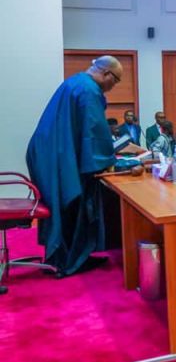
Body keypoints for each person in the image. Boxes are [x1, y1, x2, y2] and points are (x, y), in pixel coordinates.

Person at [26, 55, 123, 277]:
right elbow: (93, 134)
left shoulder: (76, 81)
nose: (113, 87)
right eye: (115, 81)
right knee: (73, 202)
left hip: (48, 152)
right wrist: (107, 161)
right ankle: (69, 261)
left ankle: (66, 257)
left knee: (62, 205)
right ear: (106, 74)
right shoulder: (89, 90)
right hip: (57, 155)